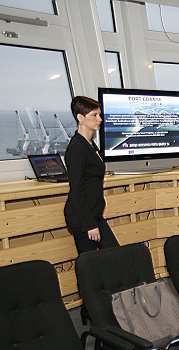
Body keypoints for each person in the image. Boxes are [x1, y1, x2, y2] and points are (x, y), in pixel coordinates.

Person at [64, 96, 119, 254]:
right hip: (83, 218)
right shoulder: (77, 148)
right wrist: (89, 225)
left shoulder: (90, 144)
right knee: (92, 263)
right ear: (80, 118)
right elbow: (77, 190)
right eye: (94, 115)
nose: (99, 119)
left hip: (94, 215)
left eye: (99, 114)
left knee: (116, 256)